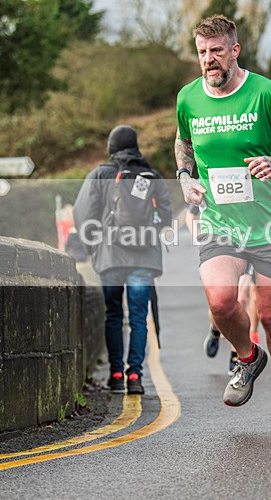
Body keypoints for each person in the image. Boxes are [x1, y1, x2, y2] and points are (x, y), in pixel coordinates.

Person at [174, 15, 271, 431]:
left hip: (269, 221)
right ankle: (246, 356)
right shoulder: (188, 97)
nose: (209, 60)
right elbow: (182, 141)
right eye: (202, 53)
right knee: (221, 301)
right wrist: (186, 178)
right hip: (219, 219)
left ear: (234, 50)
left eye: (217, 51)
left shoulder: (266, 93)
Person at [73, 125, 172, 395]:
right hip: (144, 257)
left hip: (111, 257)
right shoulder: (151, 175)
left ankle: (116, 374)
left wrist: (93, 246)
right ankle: (135, 376)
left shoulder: (100, 175)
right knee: (139, 317)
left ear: (111, 147)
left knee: (114, 314)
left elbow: (83, 213)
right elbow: (166, 215)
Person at [185, 204, 259, 374]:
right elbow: (190, 215)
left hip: (245, 247)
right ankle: (215, 329)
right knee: (218, 304)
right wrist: (200, 241)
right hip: (216, 248)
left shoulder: (247, 180)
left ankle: (237, 354)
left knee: (241, 299)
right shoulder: (206, 181)